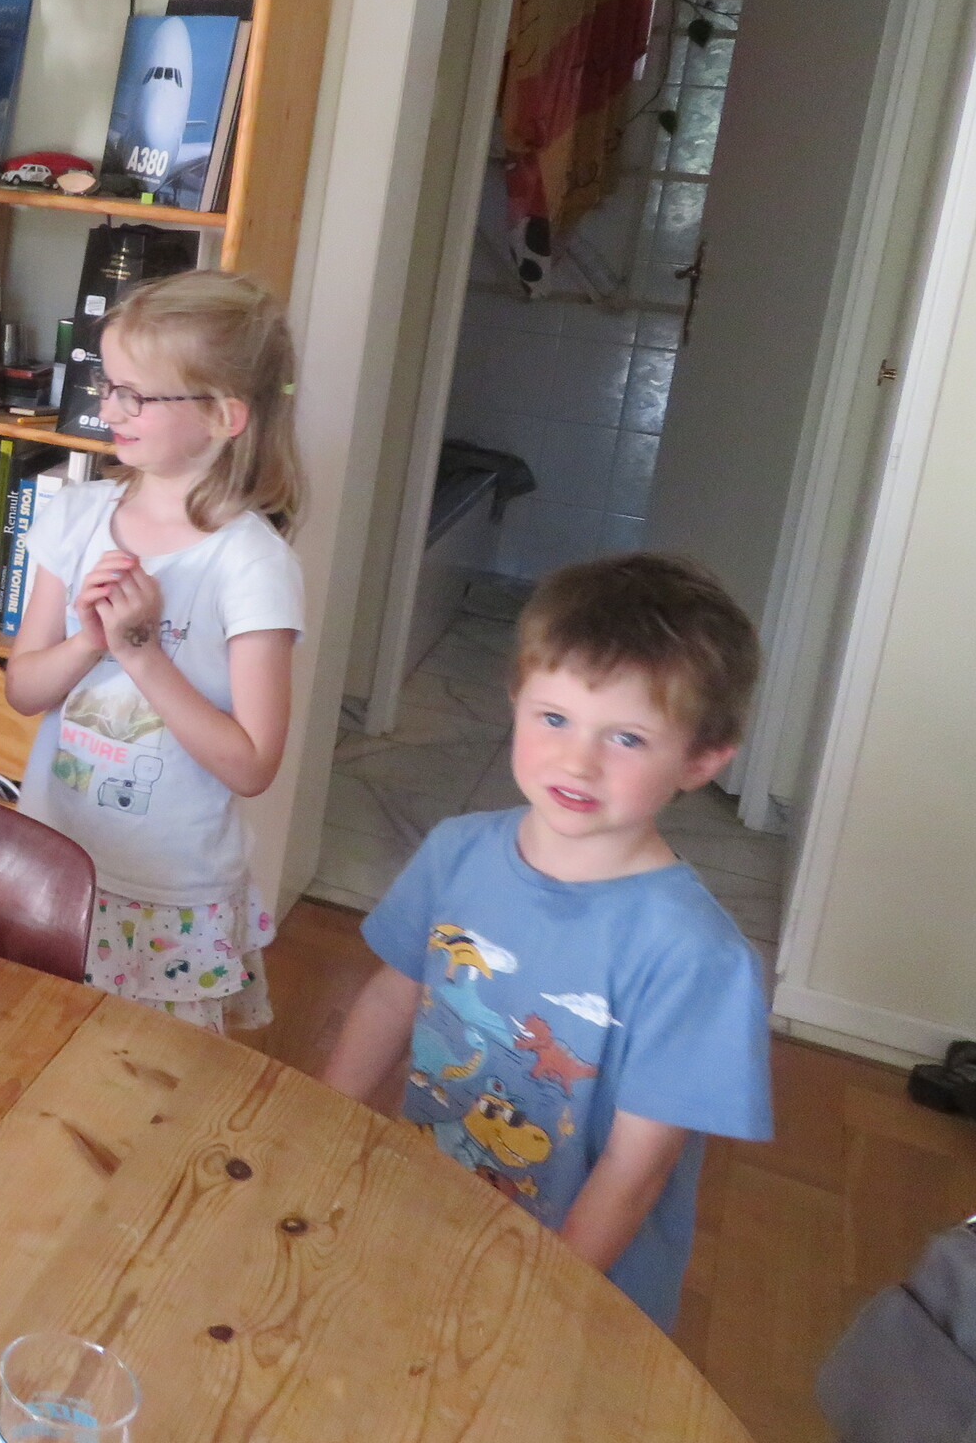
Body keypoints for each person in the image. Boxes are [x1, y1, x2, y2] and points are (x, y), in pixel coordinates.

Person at [319, 552, 773, 1331]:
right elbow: (393, 997)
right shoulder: (457, 849)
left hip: (578, 1290)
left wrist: (537, 1298)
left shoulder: (698, 957)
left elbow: (637, 1168)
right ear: (516, 702)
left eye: (627, 737)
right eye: (554, 718)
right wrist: (320, 1126)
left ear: (701, 759)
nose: (578, 760)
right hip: (430, 1215)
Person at [3, 270, 305, 1033]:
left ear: (224, 415)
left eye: (135, 396)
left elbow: (253, 764)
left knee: (143, 1077)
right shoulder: (76, 516)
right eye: (107, 386)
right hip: (53, 859)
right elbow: (23, 690)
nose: (108, 410)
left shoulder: (252, 563)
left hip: (168, 892)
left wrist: (142, 655)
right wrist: (89, 641)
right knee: (30, 1049)